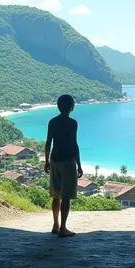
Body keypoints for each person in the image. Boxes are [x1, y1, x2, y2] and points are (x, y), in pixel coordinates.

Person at [44, 94, 83, 237]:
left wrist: (46, 160)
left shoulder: (52, 122)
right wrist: (79, 164)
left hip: (54, 159)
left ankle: (55, 225)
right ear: (71, 107)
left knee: (56, 196)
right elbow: (74, 144)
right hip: (68, 160)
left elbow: (48, 142)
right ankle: (63, 228)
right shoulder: (72, 123)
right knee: (66, 197)